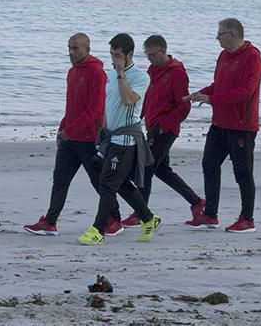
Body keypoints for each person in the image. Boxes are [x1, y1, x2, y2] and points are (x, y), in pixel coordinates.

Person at [24, 33, 123, 237]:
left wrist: (72, 130)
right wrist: (63, 129)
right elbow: (71, 106)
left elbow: (95, 110)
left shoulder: (97, 73)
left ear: (87, 49)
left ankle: (114, 219)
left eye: (76, 48)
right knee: (60, 179)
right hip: (70, 138)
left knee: (99, 182)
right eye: (69, 47)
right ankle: (50, 222)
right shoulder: (72, 72)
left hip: (89, 139)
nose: (71, 52)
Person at [78, 33, 161, 245]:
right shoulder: (112, 76)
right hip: (111, 139)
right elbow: (109, 106)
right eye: (111, 55)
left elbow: (128, 100)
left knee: (106, 183)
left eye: (117, 55)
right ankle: (148, 218)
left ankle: (98, 230)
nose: (113, 60)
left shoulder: (141, 77)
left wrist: (121, 73)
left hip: (126, 141)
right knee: (122, 183)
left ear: (129, 54)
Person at [184, 18, 261, 233]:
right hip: (219, 124)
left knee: (243, 173)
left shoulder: (252, 57)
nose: (216, 37)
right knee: (209, 164)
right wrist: (203, 93)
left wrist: (212, 99)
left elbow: (246, 92)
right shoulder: (223, 56)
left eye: (220, 33)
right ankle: (210, 215)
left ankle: (247, 219)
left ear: (233, 34)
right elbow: (219, 85)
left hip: (242, 127)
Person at [120, 35, 204, 227]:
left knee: (146, 169)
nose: (150, 59)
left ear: (163, 51)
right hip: (152, 127)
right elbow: (147, 98)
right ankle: (197, 203)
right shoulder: (152, 70)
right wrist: (136, 118)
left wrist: (163, 126)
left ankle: (141, 213)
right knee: (163, 171)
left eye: (152, 55)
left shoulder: (177, 73)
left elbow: (183, 107)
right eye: (147, 55)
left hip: (166, 129)